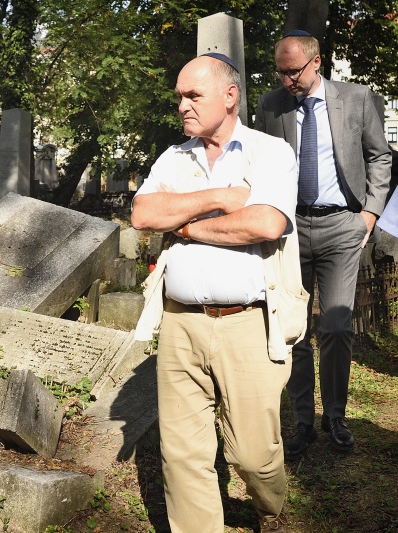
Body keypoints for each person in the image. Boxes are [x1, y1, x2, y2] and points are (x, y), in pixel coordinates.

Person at [131, 53, 298, 533]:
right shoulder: (174, 156)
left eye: (193, 95)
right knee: (182, 453)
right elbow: (143, 215)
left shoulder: (270, 153)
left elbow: (264, 224)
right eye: (179, 96)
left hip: (248, 324)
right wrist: (219, 199)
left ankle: (271, 506)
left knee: (252, 455)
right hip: (180, 323)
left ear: (230, 96)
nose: (182, 105)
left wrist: (183, 226)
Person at [254, 30, 392, 458]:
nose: (287, 80)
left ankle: (335, 416)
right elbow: (258, 162)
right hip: (290, 227)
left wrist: (370, 213)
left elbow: (380, 155)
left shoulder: (356, 98)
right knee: (293, 328)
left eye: (293, 71)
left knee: (335, 325)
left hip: (342, 226)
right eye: (280, 71)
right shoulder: (271, 105)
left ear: (316, 62)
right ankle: (302, 420)